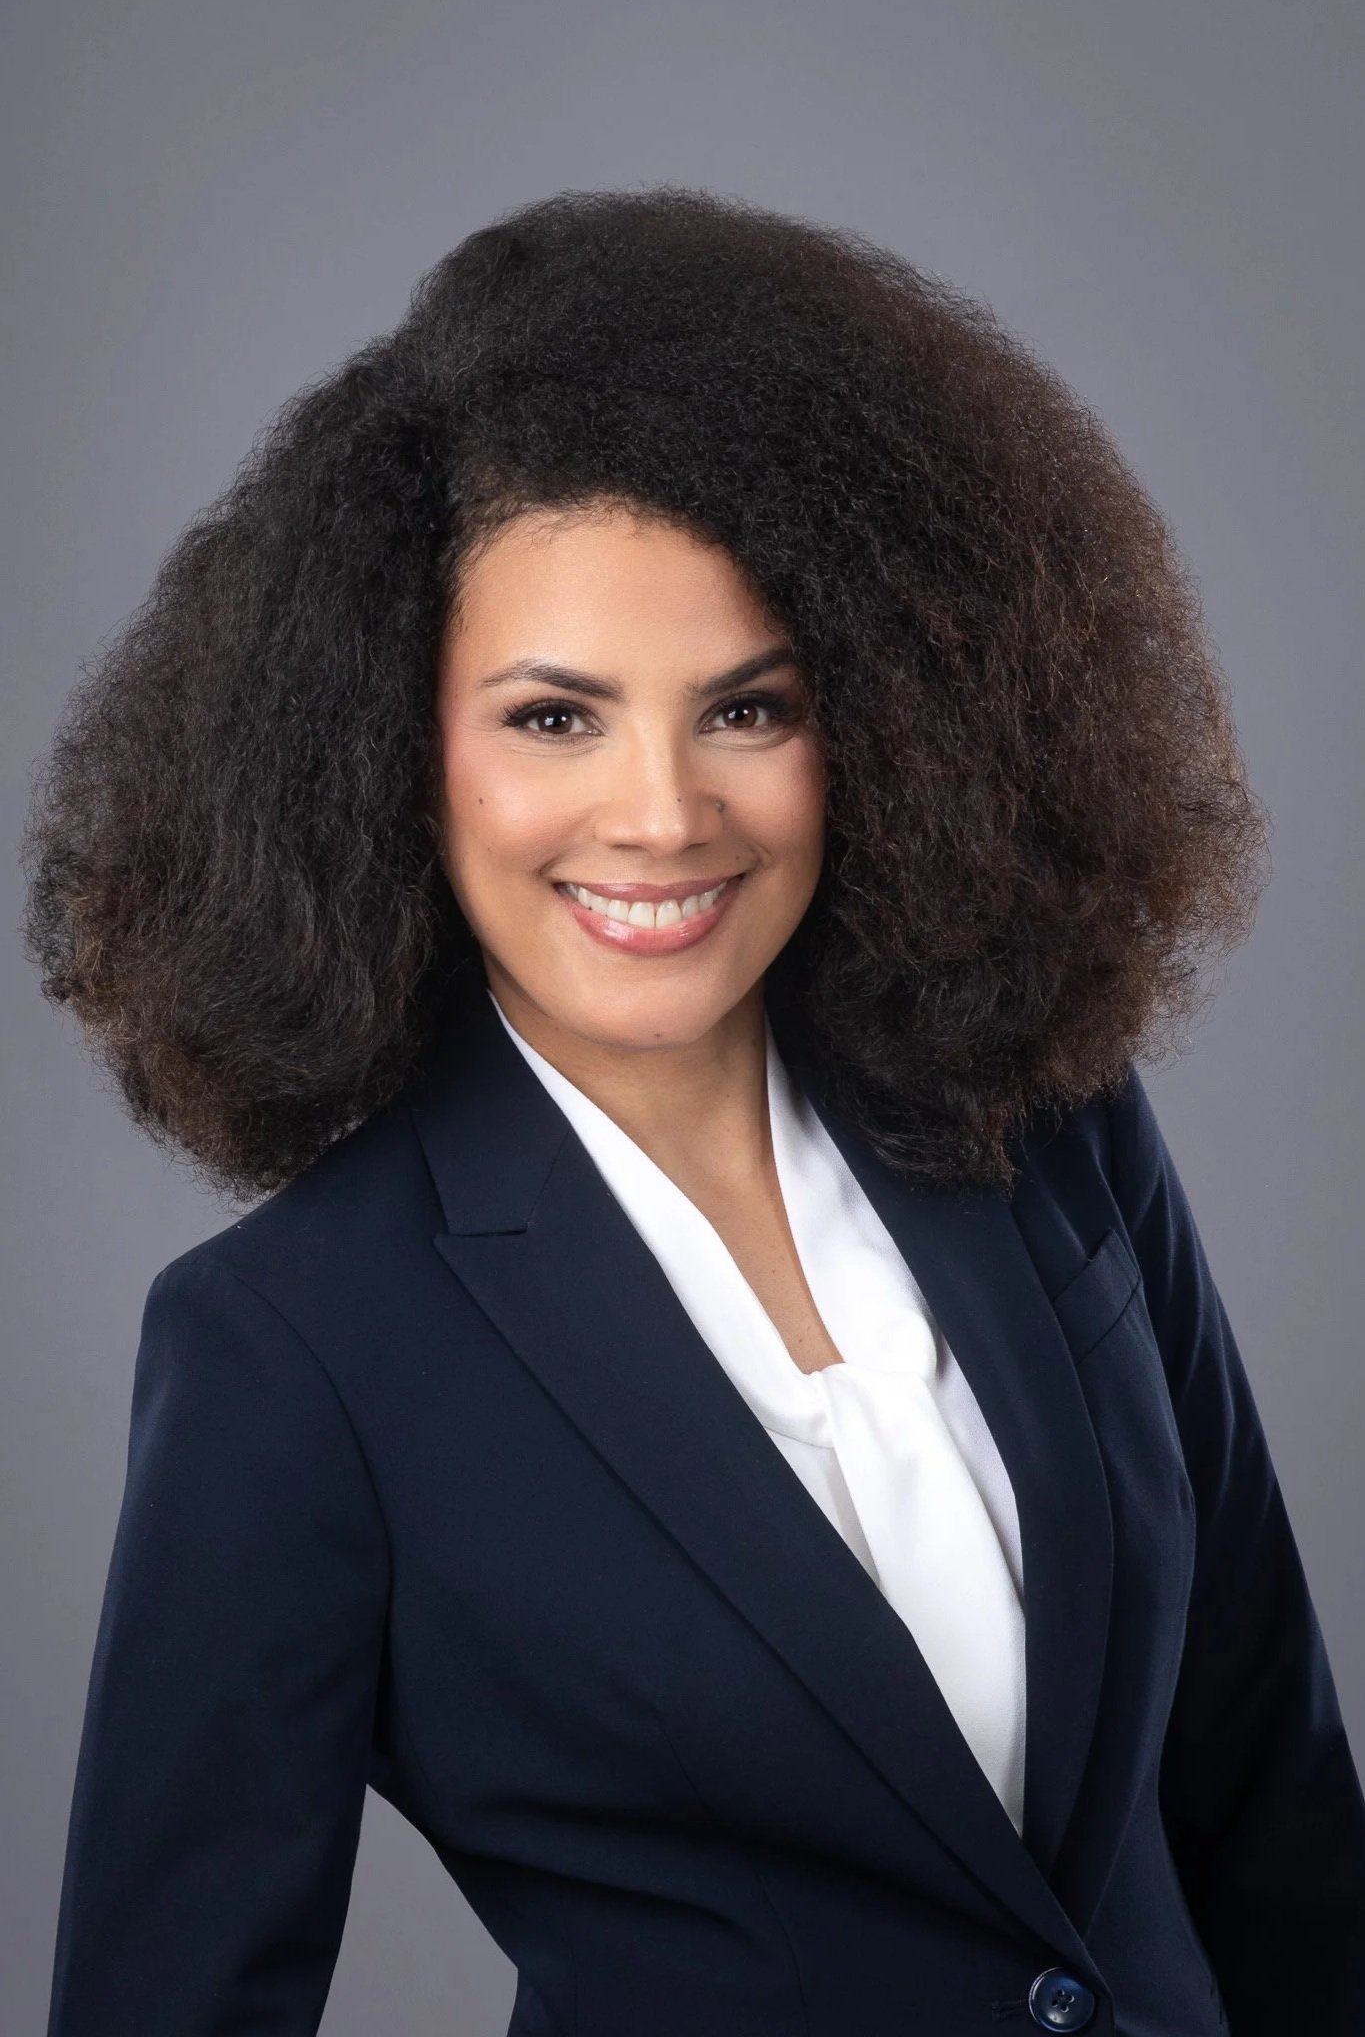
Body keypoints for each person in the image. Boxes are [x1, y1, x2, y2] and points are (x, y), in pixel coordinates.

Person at [23, 184, 1365, 2036]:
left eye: (748, 710)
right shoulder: (294, 1348)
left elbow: (1267, 1796)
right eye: (552, 718)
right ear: (385, 756)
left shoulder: (1045, 1120)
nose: (661, 817)